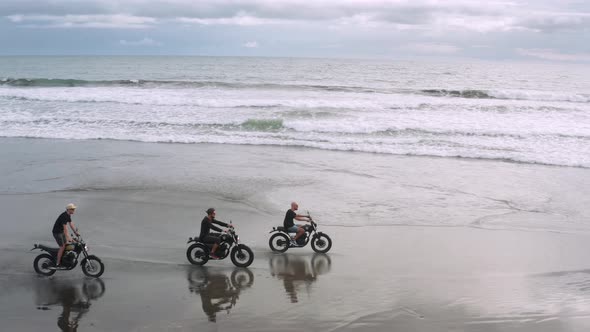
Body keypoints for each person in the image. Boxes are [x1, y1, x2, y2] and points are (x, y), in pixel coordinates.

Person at [51, 203, 79, 268]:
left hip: (61, 232)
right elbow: (65, 228)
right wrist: (69, 238)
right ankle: (58, 263)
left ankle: (64, 258)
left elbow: (71, 224)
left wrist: (75, 232)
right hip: (57, 233)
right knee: (62, 247)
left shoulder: (68, 215)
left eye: (74, 209)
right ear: (68, 209)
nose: (74, 210)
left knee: (67, 245)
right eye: (72, 209)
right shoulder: (64, 216)